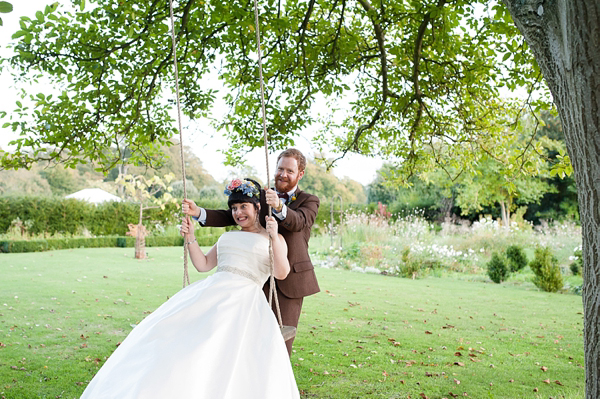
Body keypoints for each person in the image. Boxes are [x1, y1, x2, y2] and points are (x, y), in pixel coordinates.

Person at [80, 179, 300, 399]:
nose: (238, 213)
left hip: (244, 300)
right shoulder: (227, 237)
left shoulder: (273, 237)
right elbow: (203, 265)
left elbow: (281, 273)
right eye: (234, 208)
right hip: (212, 291)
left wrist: (273, 236)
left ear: (257, 207)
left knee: (217, 343)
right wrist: (191, 238)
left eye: (244, 206)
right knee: (175, 336)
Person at [183, 148, 320, 355]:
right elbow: (235, 214)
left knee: (279, 344)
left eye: (289, 171)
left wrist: (281, 208)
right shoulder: (261, 196)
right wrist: (199, 213)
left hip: (289, 278)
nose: (283, 174)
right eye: (280, 168)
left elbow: (300, 222)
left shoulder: (309, 200)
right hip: (253, 275)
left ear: (300, 174)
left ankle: (278, 385)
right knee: (249, 338)